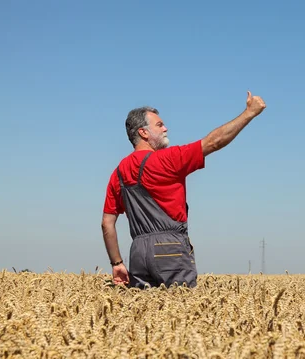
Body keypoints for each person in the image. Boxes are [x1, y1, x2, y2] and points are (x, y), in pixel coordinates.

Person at [101, 91, 266, 288]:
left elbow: (107, 223)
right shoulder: (168, 159)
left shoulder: (118, 173)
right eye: (159, 125)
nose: (166, 128)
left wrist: (117, 263)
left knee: (147, 315)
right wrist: (249, 113)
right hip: (170, 249)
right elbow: (214, 142)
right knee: (181, 310)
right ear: (143, 133)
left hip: (136, 252)